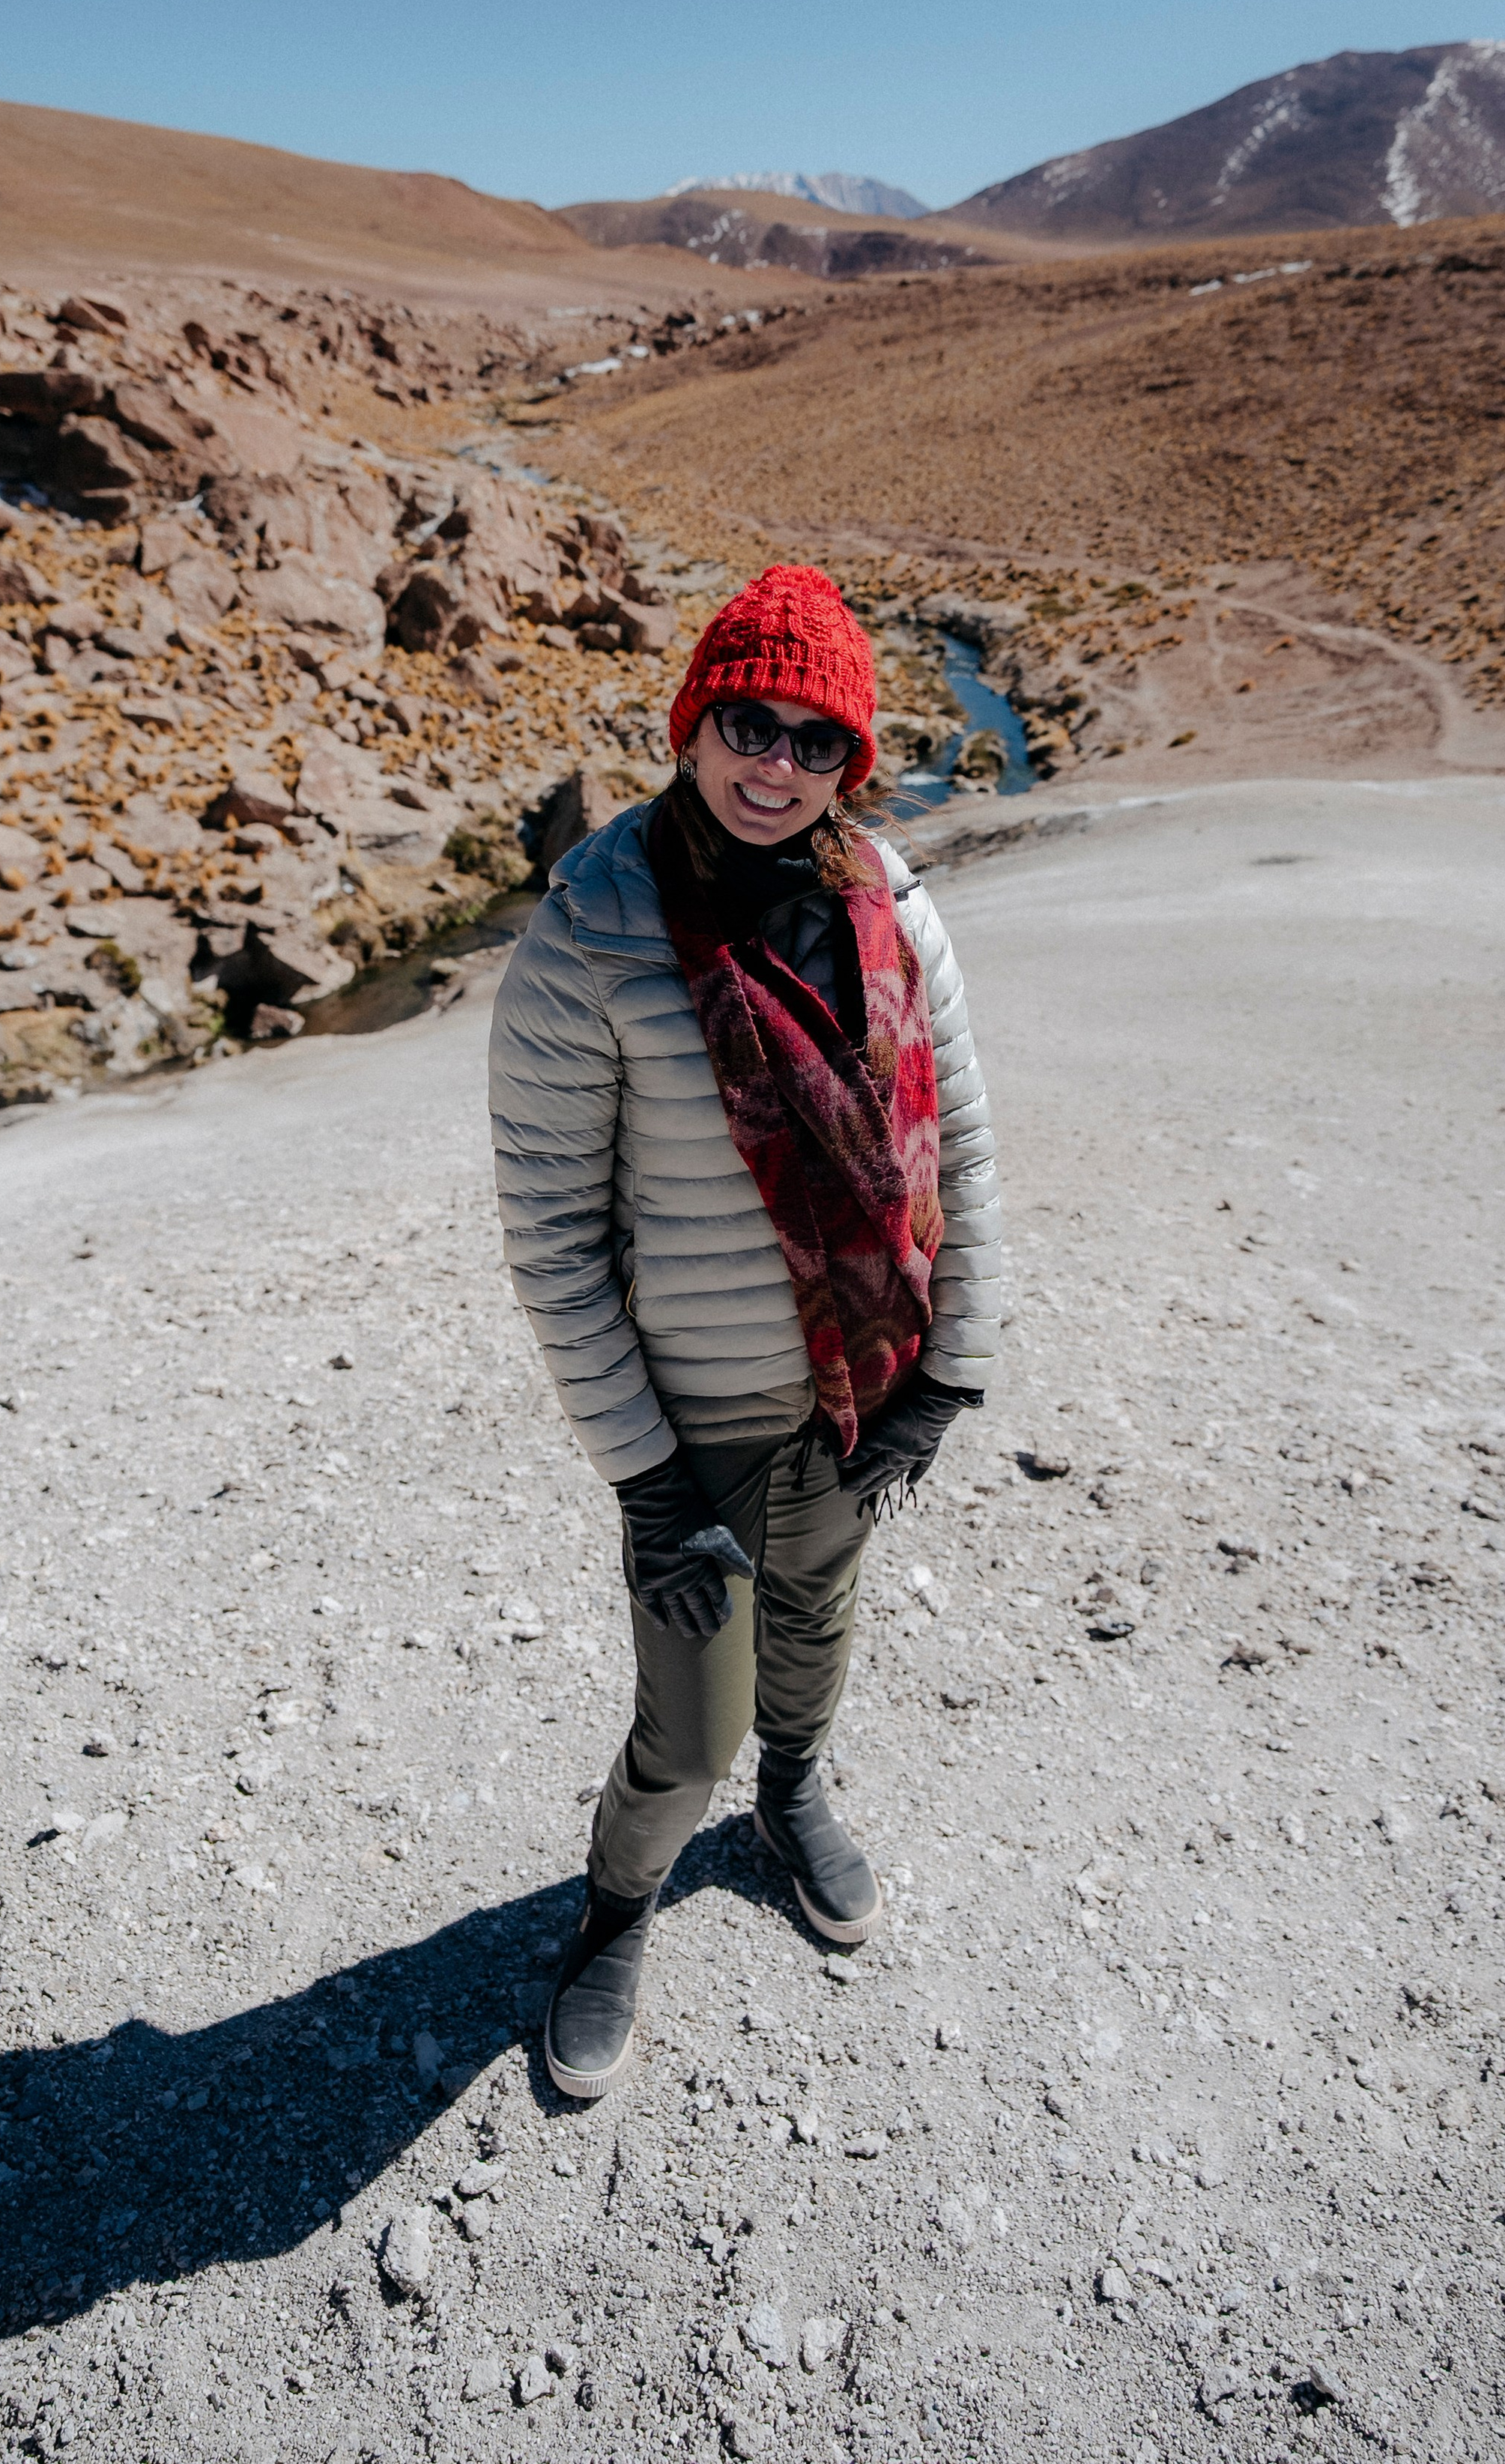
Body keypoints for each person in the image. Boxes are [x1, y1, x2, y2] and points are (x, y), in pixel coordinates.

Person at [488, 564, 1001, 2096]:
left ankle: (792, 1798)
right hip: (696, 1413)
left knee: (817, 1621)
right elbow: (554, 1243)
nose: (771, 764)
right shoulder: (594, 930)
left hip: (857, 1386)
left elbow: (957, 1156)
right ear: (691, 723)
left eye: (811, 738)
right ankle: (612, 1912)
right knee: (684, 1719)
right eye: (743, 725)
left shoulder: (890, 909)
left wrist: (949, 1371)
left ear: (853, 760)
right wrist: (647, 1478)